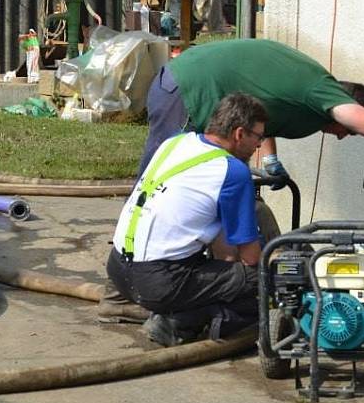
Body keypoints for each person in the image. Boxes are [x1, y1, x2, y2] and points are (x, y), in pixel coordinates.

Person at [140, 38, 364, 186]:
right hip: (187, 90)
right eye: (351, 129)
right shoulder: (322, 91)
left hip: (183, 84)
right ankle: (128, 284)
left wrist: (269, 159)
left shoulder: (307, 94)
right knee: (158, 183)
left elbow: (263, 103)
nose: (346, 136)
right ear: (348, 108)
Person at [103, 93, 268, 346]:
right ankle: (182, 321)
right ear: (239, 134)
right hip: (159, 282)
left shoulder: (176, 142)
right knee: (265, 280)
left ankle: (173, 311)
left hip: (117, 270)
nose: (259, 145)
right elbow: (251, 257)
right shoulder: (233, 171)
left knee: (222, 274)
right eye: (258, 137)